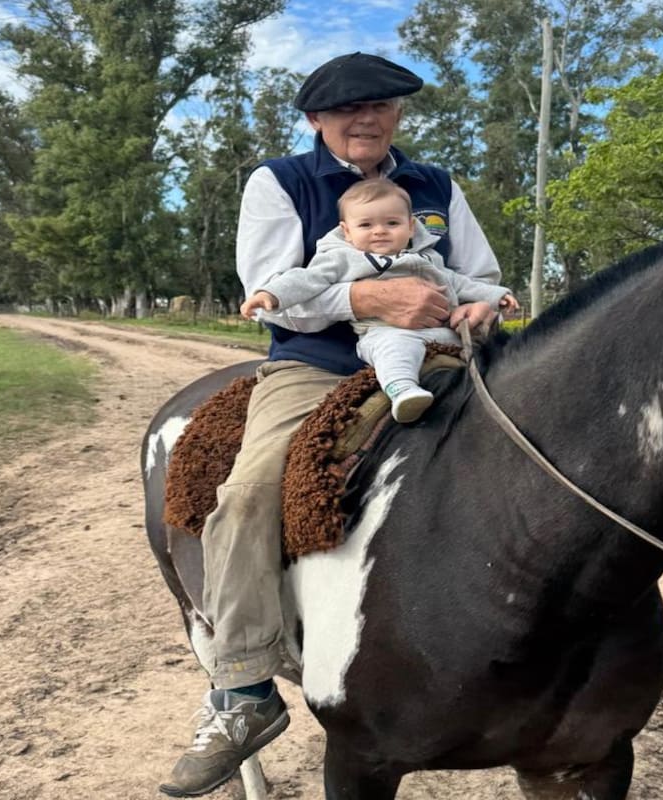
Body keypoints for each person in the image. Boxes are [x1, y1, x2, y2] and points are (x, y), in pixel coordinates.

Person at [159, 52, 504, 798]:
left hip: (440, 357)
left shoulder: (436, 186)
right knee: (249, 493)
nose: (365, 120)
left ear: (397, 115)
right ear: (317, 121)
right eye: (347, 111)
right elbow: (271, 290)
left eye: (379, 106)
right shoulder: (280, 182)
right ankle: (244, 690)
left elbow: (480, 269)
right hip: (315, 366)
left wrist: (479, 305)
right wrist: (369, 303)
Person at [240, 178, 517, 423]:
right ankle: (403, 389)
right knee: (395, 349)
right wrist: (271, 295)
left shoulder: (428, 258)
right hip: (382, 333)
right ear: (346, 231)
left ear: (411, 228)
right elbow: (306, 280)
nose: (379, 231)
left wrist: (494, 298)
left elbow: (464, 283)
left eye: (392, 223)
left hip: (442, 334)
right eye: (366, 225)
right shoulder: (342, 258)